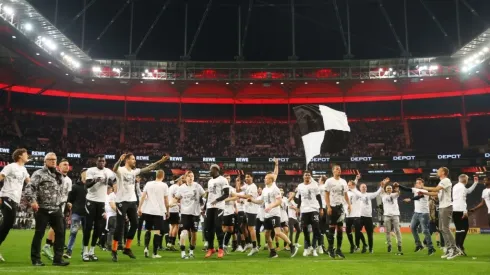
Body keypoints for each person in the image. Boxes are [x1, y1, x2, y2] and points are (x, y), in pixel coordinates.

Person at [111, 153, 169, 262]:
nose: (135, 161)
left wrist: (161, 161)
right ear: (127, 160)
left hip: (132, 201)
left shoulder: (134, 171)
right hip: (121, 202)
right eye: (133, 159)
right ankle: (114, 250)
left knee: (135, 224)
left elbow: (149, 168)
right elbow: (114, 169)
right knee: (120, 226)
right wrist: (119, 160)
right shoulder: (121, 170)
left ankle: (127, 248)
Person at [25, 152, 69, 266]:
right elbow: (30, 188)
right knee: (39, 234)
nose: (53, 161)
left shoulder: (59, 175)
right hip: (42, 209)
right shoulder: (38, 173)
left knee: (60, 233)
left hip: (56, 208)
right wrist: (33, 201)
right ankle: (36, 259)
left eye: (54, 159)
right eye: (50, 159)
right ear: (45, 161)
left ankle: (57, 259)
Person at [250, 172, 297, 258]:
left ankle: (292, 246)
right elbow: (261, 201)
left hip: (275, 214)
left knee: (278, 233)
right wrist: (252, 200)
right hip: (267, 215)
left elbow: (279, 202)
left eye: (266, 178)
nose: (264, 179)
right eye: (265, 178)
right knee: (267, 234)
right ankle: (273, 252)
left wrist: (270, 206)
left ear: (271, 180)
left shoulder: (275, 189)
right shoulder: (265, 189)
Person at [82, 155, 116, 262]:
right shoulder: (91, 171)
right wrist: (96, 180)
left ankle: (92, 251)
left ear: (105, 162)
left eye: (103, 161)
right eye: (99, 161)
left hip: (101, 202)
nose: (101, 163)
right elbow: (86, 185)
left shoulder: (108, 171)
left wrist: (108, 181)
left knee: (98, 227)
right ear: (96, 162)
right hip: (91, 201)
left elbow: (113, 181)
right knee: (88, 227)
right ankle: (85, 251)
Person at [422, 167, 459, 260]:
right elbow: (436, 194)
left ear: (443, 172)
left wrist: (423, 187)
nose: (437, 171)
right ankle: (449, 249)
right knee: (442, 229)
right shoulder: (442, 181)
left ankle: (454, 249)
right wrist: (424, 193)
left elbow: (435, 189)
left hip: (446, 207)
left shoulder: (446, 180)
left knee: (445, 228)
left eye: (438, 170)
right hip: (442, 207)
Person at [0, 148, 30, 262]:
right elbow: (1, 176)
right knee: (8, 222)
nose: (28, 156)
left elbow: (29, 182)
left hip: (16, 200)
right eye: (26, 154)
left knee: (8, 224)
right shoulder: (10, 167)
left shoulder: (24, 169)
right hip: (7, 196)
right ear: (20, 156)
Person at [42, 159, 72, 261]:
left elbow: (67, 194)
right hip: (53, 205)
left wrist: (68, 203)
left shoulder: (69, 180)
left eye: (67, 165)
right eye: (64, 164)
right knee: (57, 227)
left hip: (62, 206)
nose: (66, 166)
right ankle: (47, 246)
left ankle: (50, 247)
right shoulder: (54, 176)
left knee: (59, 228)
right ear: (59, 166)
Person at [398, 178, 435, 255]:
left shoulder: (425, 191)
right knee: (412, 227)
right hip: (416, 213)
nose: (417, 184)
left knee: (425, 230)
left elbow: (419, 197)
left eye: (419, 183)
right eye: (416, 182)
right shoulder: (415, 190)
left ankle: (431, 248)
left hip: (424, 213)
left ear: (422, 184)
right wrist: (399, 185)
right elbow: (407, 189)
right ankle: (419, 245)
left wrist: (410, 199)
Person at [173, 171, 205, 259]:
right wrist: (170, 204)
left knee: (194, 233)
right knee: (183, 233)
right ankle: (183, 252)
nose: (191, 178)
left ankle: (191, 251)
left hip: (195, 214)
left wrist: (203, 203)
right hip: (185, 214)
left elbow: (204, 194)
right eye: (189, 176)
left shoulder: (197, 186)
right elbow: (176, 198)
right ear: (185, 178)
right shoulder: (181, 188)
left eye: (192, 176)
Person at [137, 170, 169, 259]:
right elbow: (166, 200)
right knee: (157, 231)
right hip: (158, 211)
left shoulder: (148, 184)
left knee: (148, 229)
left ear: (156, 175)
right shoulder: (164, 185)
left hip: (148, 210)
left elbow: (143, 196)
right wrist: (168, 210)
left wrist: (139, 208)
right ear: (163, 176)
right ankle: (154, 253)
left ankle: (146, 248)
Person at [325, 165, 351, 259]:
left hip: (341, 208)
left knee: (340, 229)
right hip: (332, 206)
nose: (339, 170)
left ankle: (339, 250)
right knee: (332, 228)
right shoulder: (329, 181)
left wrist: (349, 205)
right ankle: (331, 249)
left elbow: (345, 194)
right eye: (337, 169)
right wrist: (328, 207)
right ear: (333, 171)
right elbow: (326, 194)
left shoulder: (343, 181)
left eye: (340, 169)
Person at [204, 164, 230, 259]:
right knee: (208, 228)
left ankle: (220, 248)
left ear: (216, 170)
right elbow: (209, 195)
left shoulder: (223, 180)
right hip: (209, 207)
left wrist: (217, 200)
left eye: (211, 170)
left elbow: (226, 194)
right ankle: (211, 248)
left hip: (219, 206)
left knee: (218, 227)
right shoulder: (210, 181)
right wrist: (204, 207)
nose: (209, 172)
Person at [296, 171, 324, 257]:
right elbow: (299, 198)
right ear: (303, 177)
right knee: (304, 230)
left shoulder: (314, 185)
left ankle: (314, 248)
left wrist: (321, 208)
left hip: (314, 209)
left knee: (315, 228)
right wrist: (298, 208)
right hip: (304, 210)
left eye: (308, 175)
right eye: (306, 175)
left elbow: (319, 197)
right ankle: (308, 247)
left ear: (310, 177)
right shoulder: (300, 186)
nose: (307, 176)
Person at [452, 174, 479, 256]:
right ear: (464, 179)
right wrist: (464, 211)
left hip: (454, 209)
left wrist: (475, 183)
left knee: (459, 229)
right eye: (467, 179)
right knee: (465, 227)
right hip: (460, 209)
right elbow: (462, 199)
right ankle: (460, 246)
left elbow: (468, 191)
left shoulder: (456, 186)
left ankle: (457, 247)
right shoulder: (462, 187)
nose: (467, 180)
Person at [64, 169, 88, 259]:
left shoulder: (91, 187)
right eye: (85, 172)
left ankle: (84, 252)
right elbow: (69, 199)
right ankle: (69, 251)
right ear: (81, 174)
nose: (87, 174)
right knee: (73, 232)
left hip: (88, 213)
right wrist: (69, 203)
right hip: (77, 212)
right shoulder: (75, 186)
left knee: (86, 234)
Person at [346, 179, 367, 254]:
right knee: (348, 231)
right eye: (348, 185)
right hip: (348, 215)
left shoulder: (357, 193)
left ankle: (364, 245)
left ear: (353, 185)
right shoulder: (346, 193)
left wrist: (354, 189)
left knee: (358, 232)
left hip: (356, 215)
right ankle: (352, 245)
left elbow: (361, 195)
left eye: (350, 185)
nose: (348, 186)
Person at [382, 182, 403, 255]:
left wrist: (397, 187)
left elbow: (398, 193)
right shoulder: (383, 195)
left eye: (390, 188)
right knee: (387, 231)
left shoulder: (394, 195)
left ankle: (399, 245)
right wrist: (383, 183)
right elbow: (381, 189)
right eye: (387, 188)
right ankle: (389, 245)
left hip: (395, 215)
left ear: (392, 190)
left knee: (397, 230)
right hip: (387, 215)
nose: (389, 189)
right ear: (385, 189)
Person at [222, 174, 238, 253]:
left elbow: (236, 197)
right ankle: (221, 245)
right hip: (223, 211)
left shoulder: (231, 189)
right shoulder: (220, 189)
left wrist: (235, 207)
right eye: (226, 178)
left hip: (231, 211)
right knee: (224, 229)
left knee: (231, 229)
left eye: (228, 178)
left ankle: (224, 245)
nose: (227, 179)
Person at [167, 175, 182, 250]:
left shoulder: (170, 187)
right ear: (178, 180)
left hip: (169, 209)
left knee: (172, 226)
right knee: (176, 226)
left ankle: (169, 243)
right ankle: (172, 243)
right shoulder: (177, 187)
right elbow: (177, 198)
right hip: (174, 208)